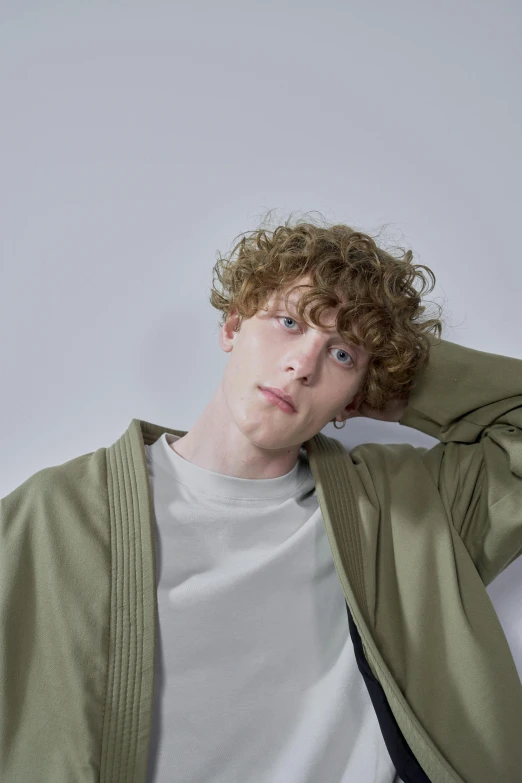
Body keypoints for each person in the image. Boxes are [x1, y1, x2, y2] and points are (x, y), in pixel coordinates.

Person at [1, 216, 521, 783]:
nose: (302, 365)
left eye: (341, 355)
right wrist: (358, 351)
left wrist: (396, 369)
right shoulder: (54, 514)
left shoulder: (406, 513)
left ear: (357, 401)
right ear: (232, 325)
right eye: (288, 322)